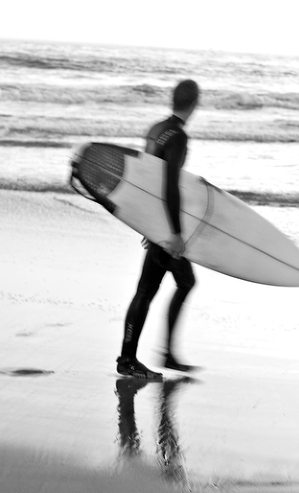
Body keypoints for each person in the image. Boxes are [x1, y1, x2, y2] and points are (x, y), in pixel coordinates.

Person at [116, 79, 200, 379]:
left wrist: (145, 221)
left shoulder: (156, 130)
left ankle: (166, 355)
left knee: (183, 281)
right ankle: (128, 359)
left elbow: (144, 179)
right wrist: (174, 233)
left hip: (155, 222)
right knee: (147, 291)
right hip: (165, 228)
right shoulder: (178, 136)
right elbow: (168, 184)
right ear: (194, 104)